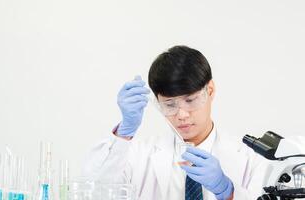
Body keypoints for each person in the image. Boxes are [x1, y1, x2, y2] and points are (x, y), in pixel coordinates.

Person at [83, 45, 269, 199]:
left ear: (210, 90)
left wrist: (228, 192)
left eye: (190, 100)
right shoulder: (139, 154)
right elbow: (96, 191)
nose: (181, 115)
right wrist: (124, 132)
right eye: (169, 104)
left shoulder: (250, 158)